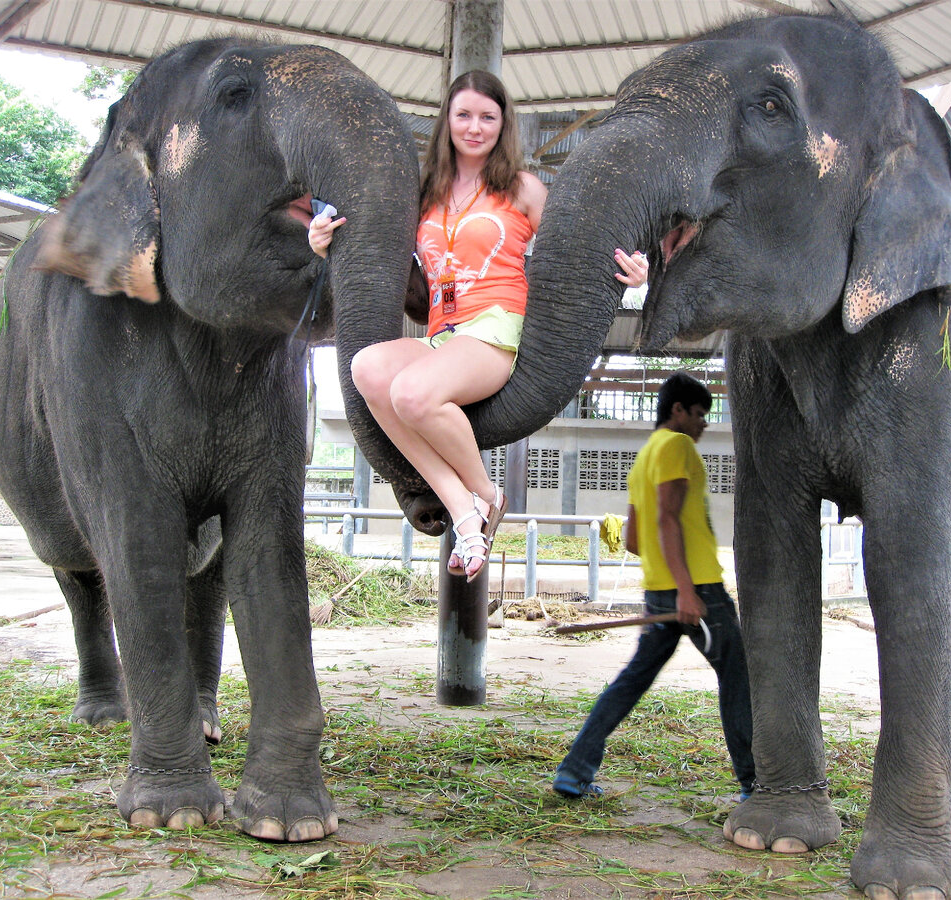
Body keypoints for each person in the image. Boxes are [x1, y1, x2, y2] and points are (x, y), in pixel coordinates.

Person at [308, 69, 647, 582]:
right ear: (447, 120)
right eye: (463, 114)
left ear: (503, 124)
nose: (475, 127)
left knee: (413, 395)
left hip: (496, 327)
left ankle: (486, 495)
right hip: (443, 332)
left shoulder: (524, 189)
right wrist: (323, 240)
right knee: (367, 369)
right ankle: (467, 512)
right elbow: (372, 243)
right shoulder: (424, 193)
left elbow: (578, 248)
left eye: (488, 117)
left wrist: (636, 276)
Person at [552, 373, 755, 801]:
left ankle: (574, 772)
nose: (703, 424)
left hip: (661, 592)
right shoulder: (677, 447)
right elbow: (666, 518)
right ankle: (754, 784)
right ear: (677, 410)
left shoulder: (645, 456)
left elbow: (633, 539)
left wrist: (667, 583)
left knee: (630, 683)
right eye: (699, 413)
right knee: (739, 677)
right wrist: (686, 589)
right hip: (698, 590)